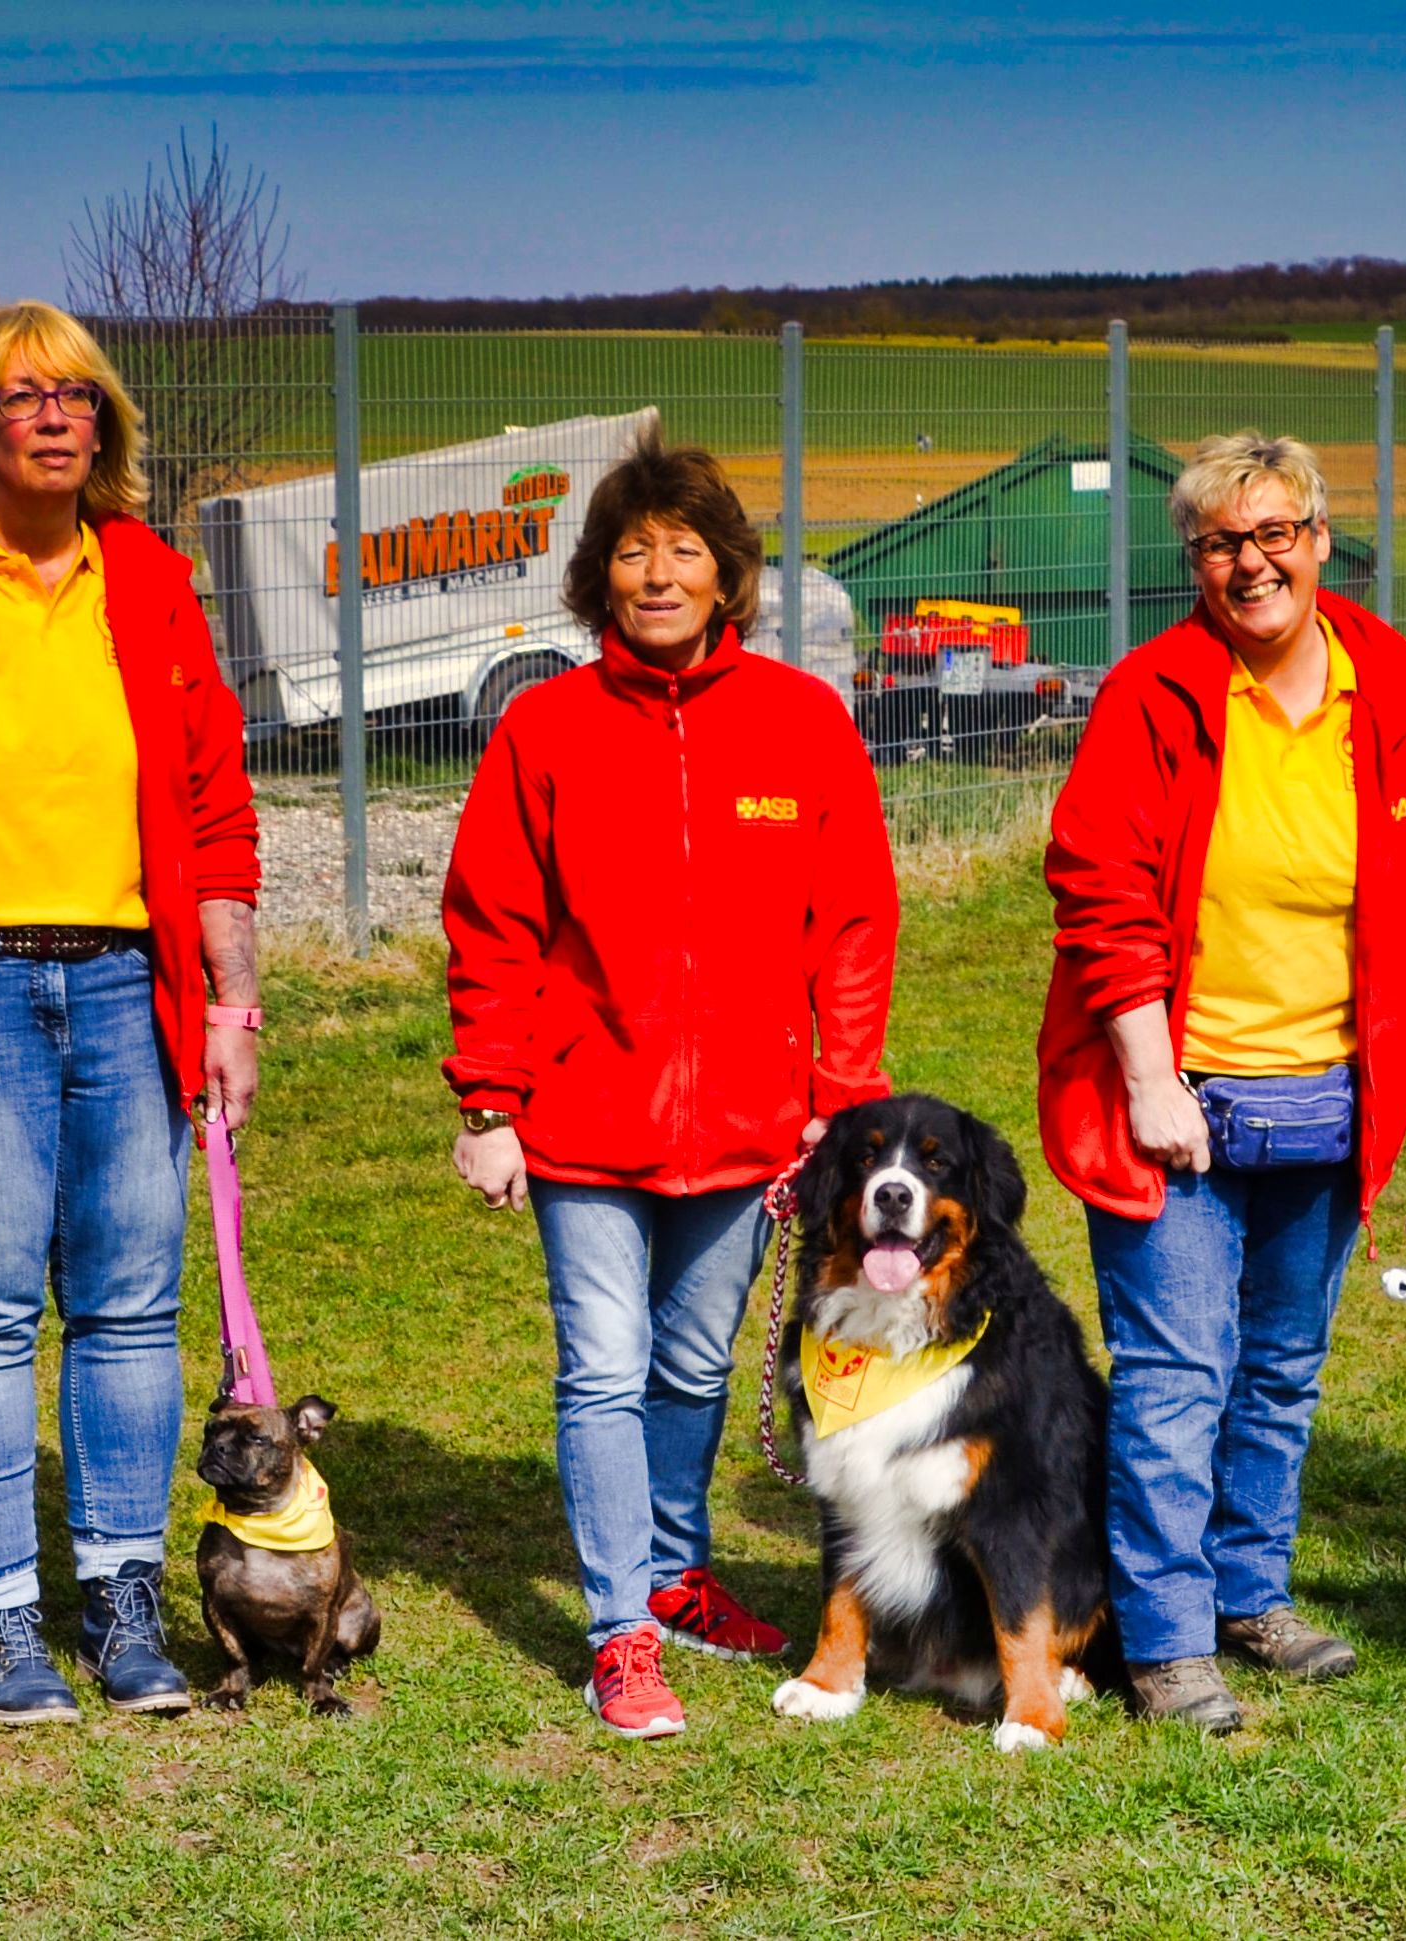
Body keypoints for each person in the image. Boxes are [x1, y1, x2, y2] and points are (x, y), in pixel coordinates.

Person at [0, 301, 261, 1723]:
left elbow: (213, 806)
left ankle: (123, 1603)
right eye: (25, 395)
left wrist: (231, 1002)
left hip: (135, 990)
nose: (59, 413)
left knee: (134, 1306)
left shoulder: (152, 583)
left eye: (80, 392)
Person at [1038, 431, 1406, 1734]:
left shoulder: (1394, 687)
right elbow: (1102, 893)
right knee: (1179, 1366)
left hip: (1332, 1096)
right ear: (1192, 558)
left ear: (1318, 537)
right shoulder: (1155, 695)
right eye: (1220, 543)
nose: (1251, 564)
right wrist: (1147, 1078)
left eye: (1274, 535)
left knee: (1285, 1363)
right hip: (1177, 1093)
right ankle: (1169, 1636)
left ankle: (1250, 1587)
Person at [442, 431, 898, 1740]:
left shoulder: (800, 721)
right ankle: (618, 1629)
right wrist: (489, 1100)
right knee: (604, 1366)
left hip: (754, 1122)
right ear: (601, 576)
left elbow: (854, 917)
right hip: (583, 1117)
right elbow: (491, 923)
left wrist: (842, 1090)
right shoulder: (545, 727)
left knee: (693, 1366)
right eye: (633, 550)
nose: (656, 573)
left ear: (726, 576)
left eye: (683, 550)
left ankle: (678, 1565)